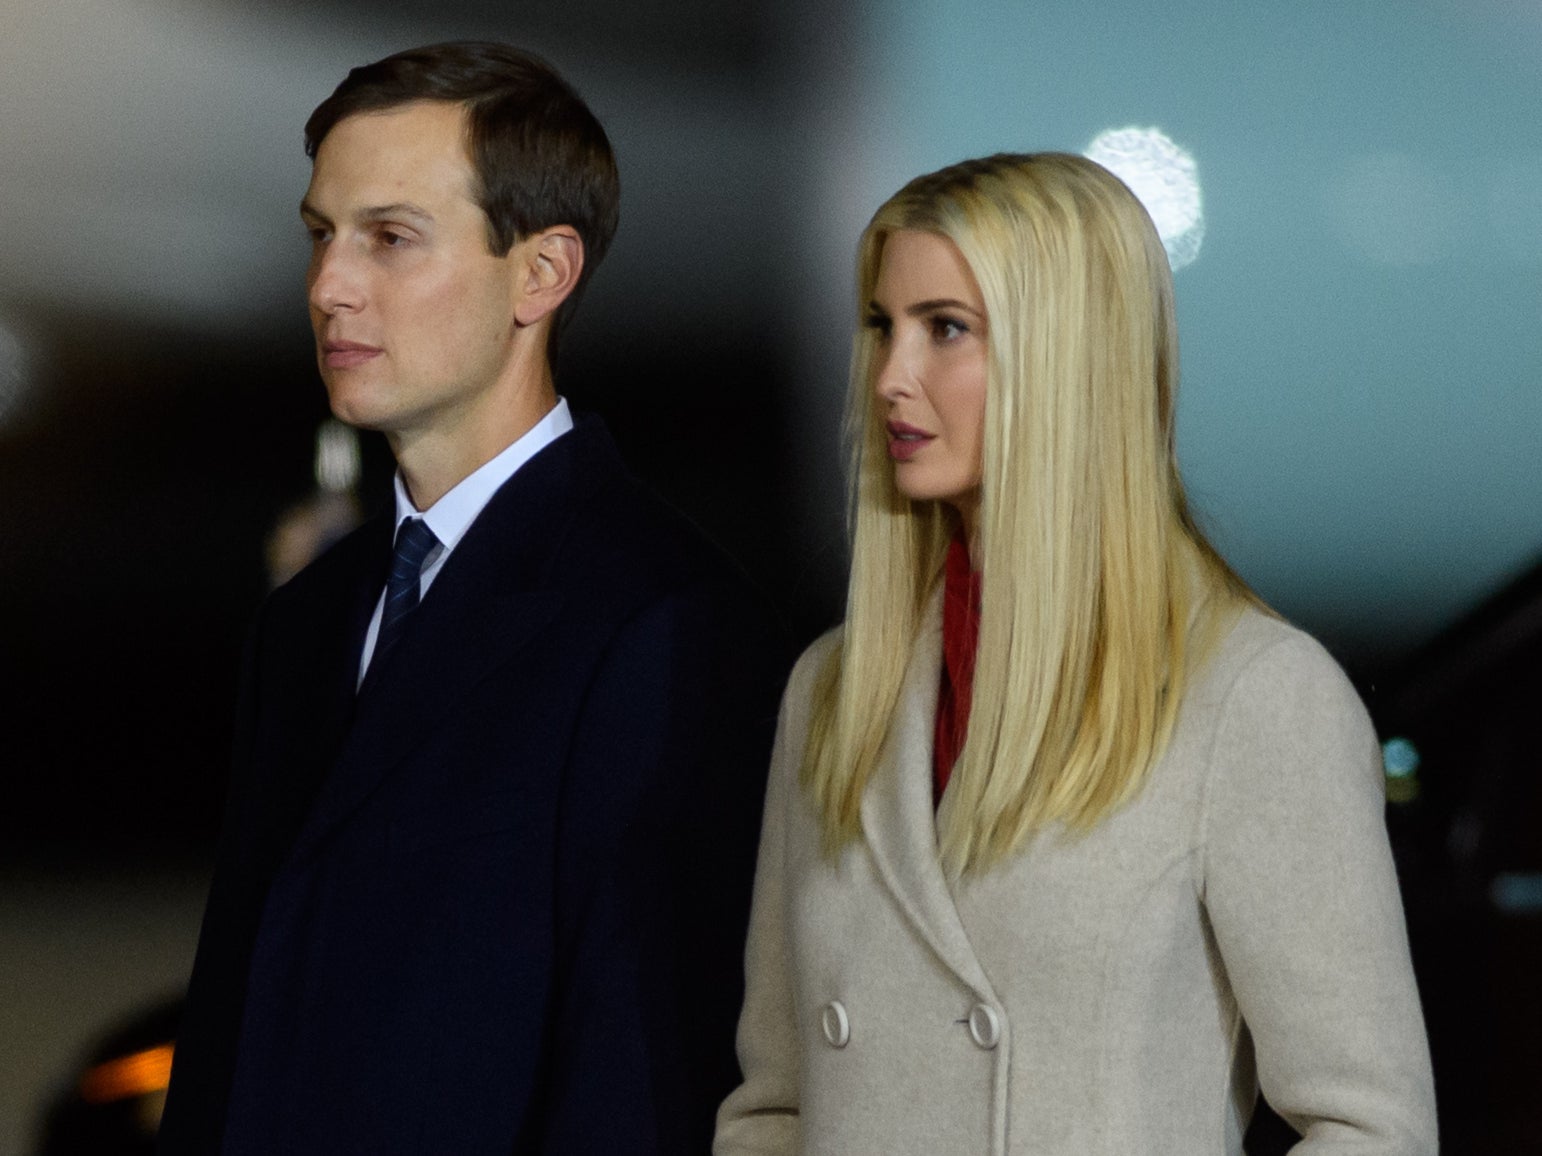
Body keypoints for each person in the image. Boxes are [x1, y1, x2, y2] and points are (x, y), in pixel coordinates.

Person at [715, 153, 1437, 1154]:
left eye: (946, 329)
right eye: (883, 325)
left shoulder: (1253, 697)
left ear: (1067, 355)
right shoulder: (835, 690)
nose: (891, 377)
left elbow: (1371, 1126)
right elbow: (775, 1106)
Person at [158, 42, 784, 1155]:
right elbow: (237, 1024)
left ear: (542, 273)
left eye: (389, 238)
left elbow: (639, 1080)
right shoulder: (306, 621)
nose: (328, 286)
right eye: (322, 234)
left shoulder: (663, 619)